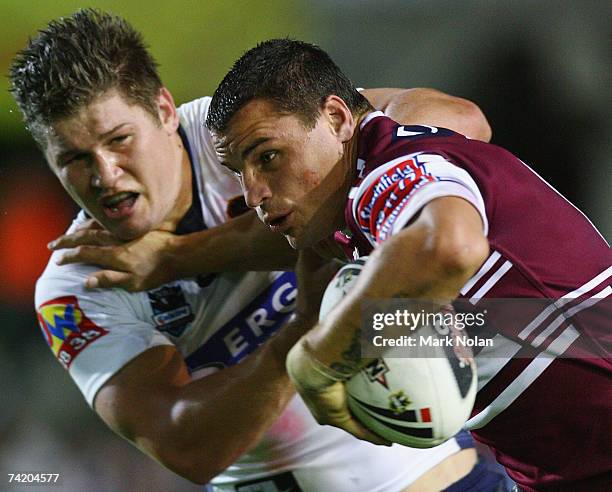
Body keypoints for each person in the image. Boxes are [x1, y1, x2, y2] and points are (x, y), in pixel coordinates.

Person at [10, 9, 502, 492]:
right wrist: (307, 331)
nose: (105, 176)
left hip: (442, 477)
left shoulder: (237, 134)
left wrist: (192, 253)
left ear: (163, 110)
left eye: (119, 140)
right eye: (74, 159)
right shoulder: (73, 286)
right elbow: (187, 448)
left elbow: (458, 122)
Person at [204, 38, 611, 491]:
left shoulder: (387, 174)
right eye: (239, 171)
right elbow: (514, 321)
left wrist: (318, 359)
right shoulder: (369, 212)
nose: (253, 192)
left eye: (268, 157)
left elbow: (448, 247)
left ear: (337, 119)